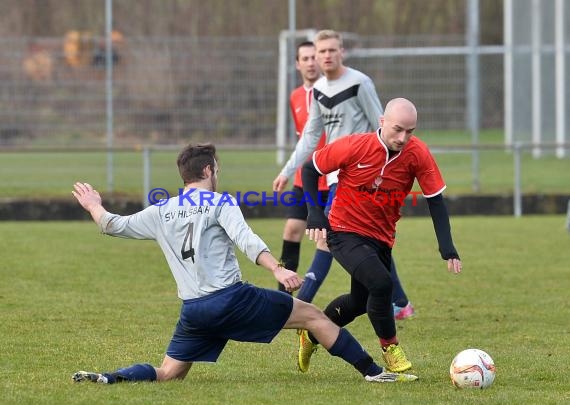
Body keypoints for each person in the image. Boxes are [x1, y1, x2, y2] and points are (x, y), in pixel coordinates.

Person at [70, 143, 418, 384]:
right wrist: (277, 269)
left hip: (194, 311)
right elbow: (247, 240)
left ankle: (111, 377)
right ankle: (375, 373)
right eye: (216, 168)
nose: (217, 173)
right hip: (232, 299)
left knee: (168, 373)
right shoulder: (219, 202)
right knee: (312, 316)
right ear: (208, 169)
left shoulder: (161, 210)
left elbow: (112, 224)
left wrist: (94, 206)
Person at [299, 97, 462, 374]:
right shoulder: (354, 145)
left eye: (410, 131)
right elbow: (310, 169)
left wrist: (448, 248)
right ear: (382, 122)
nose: (403, 137)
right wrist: (315, 214)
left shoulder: (417, 153)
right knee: (382, 284)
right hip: (343, 231)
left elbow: (435, 200)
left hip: (381, 238)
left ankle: (312, 334)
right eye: (398, 129)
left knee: (359, 302)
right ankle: (391, 349)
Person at [272, 29, 414, 318]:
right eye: (321, 51)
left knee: (327, 238)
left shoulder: (360, 83)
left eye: (331, 50)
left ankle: (292, 309)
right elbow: (310, 138)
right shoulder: (319, 91)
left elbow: (383, 125)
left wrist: (384, 169)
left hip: (362, 178)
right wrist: (287, 171)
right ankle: (399, 303)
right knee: (373, 240)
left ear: (341, 52)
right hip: (337, 176)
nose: (325, 56)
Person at [277, 41, 330, 295]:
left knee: (330, 239)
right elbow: (304, 139)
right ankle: (283, 294)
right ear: (297, 64)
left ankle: (395, 297)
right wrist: (287, 171)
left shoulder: (331, 92)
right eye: (305, 58)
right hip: (303, 177)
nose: (311, 63)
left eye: (313, 57)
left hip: (330, 176)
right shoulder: (295, 96)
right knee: (292, 229)